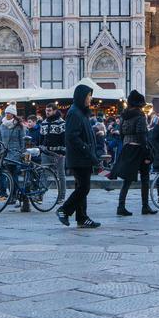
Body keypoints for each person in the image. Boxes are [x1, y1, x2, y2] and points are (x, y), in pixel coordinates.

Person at [57, 83, 100, 228]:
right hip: (79, 157)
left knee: (81, 187)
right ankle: (64, 210)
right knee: (84, 188)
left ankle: (82, 218)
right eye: (88, 96)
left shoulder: (81, 112)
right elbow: (72, 136)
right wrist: (86, 148)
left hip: (83, 157)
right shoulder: (74, 113)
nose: (90, 99)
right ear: (82, 96)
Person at [112, 91, 155, 216]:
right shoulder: (140, 116)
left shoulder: (124, 116)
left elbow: (121, 134)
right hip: (139, 148)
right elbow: (141, 135)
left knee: (127, 179)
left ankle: (121, 206)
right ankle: (145, 206)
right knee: (145, 178)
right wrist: (147, 153)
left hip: (127, 148)